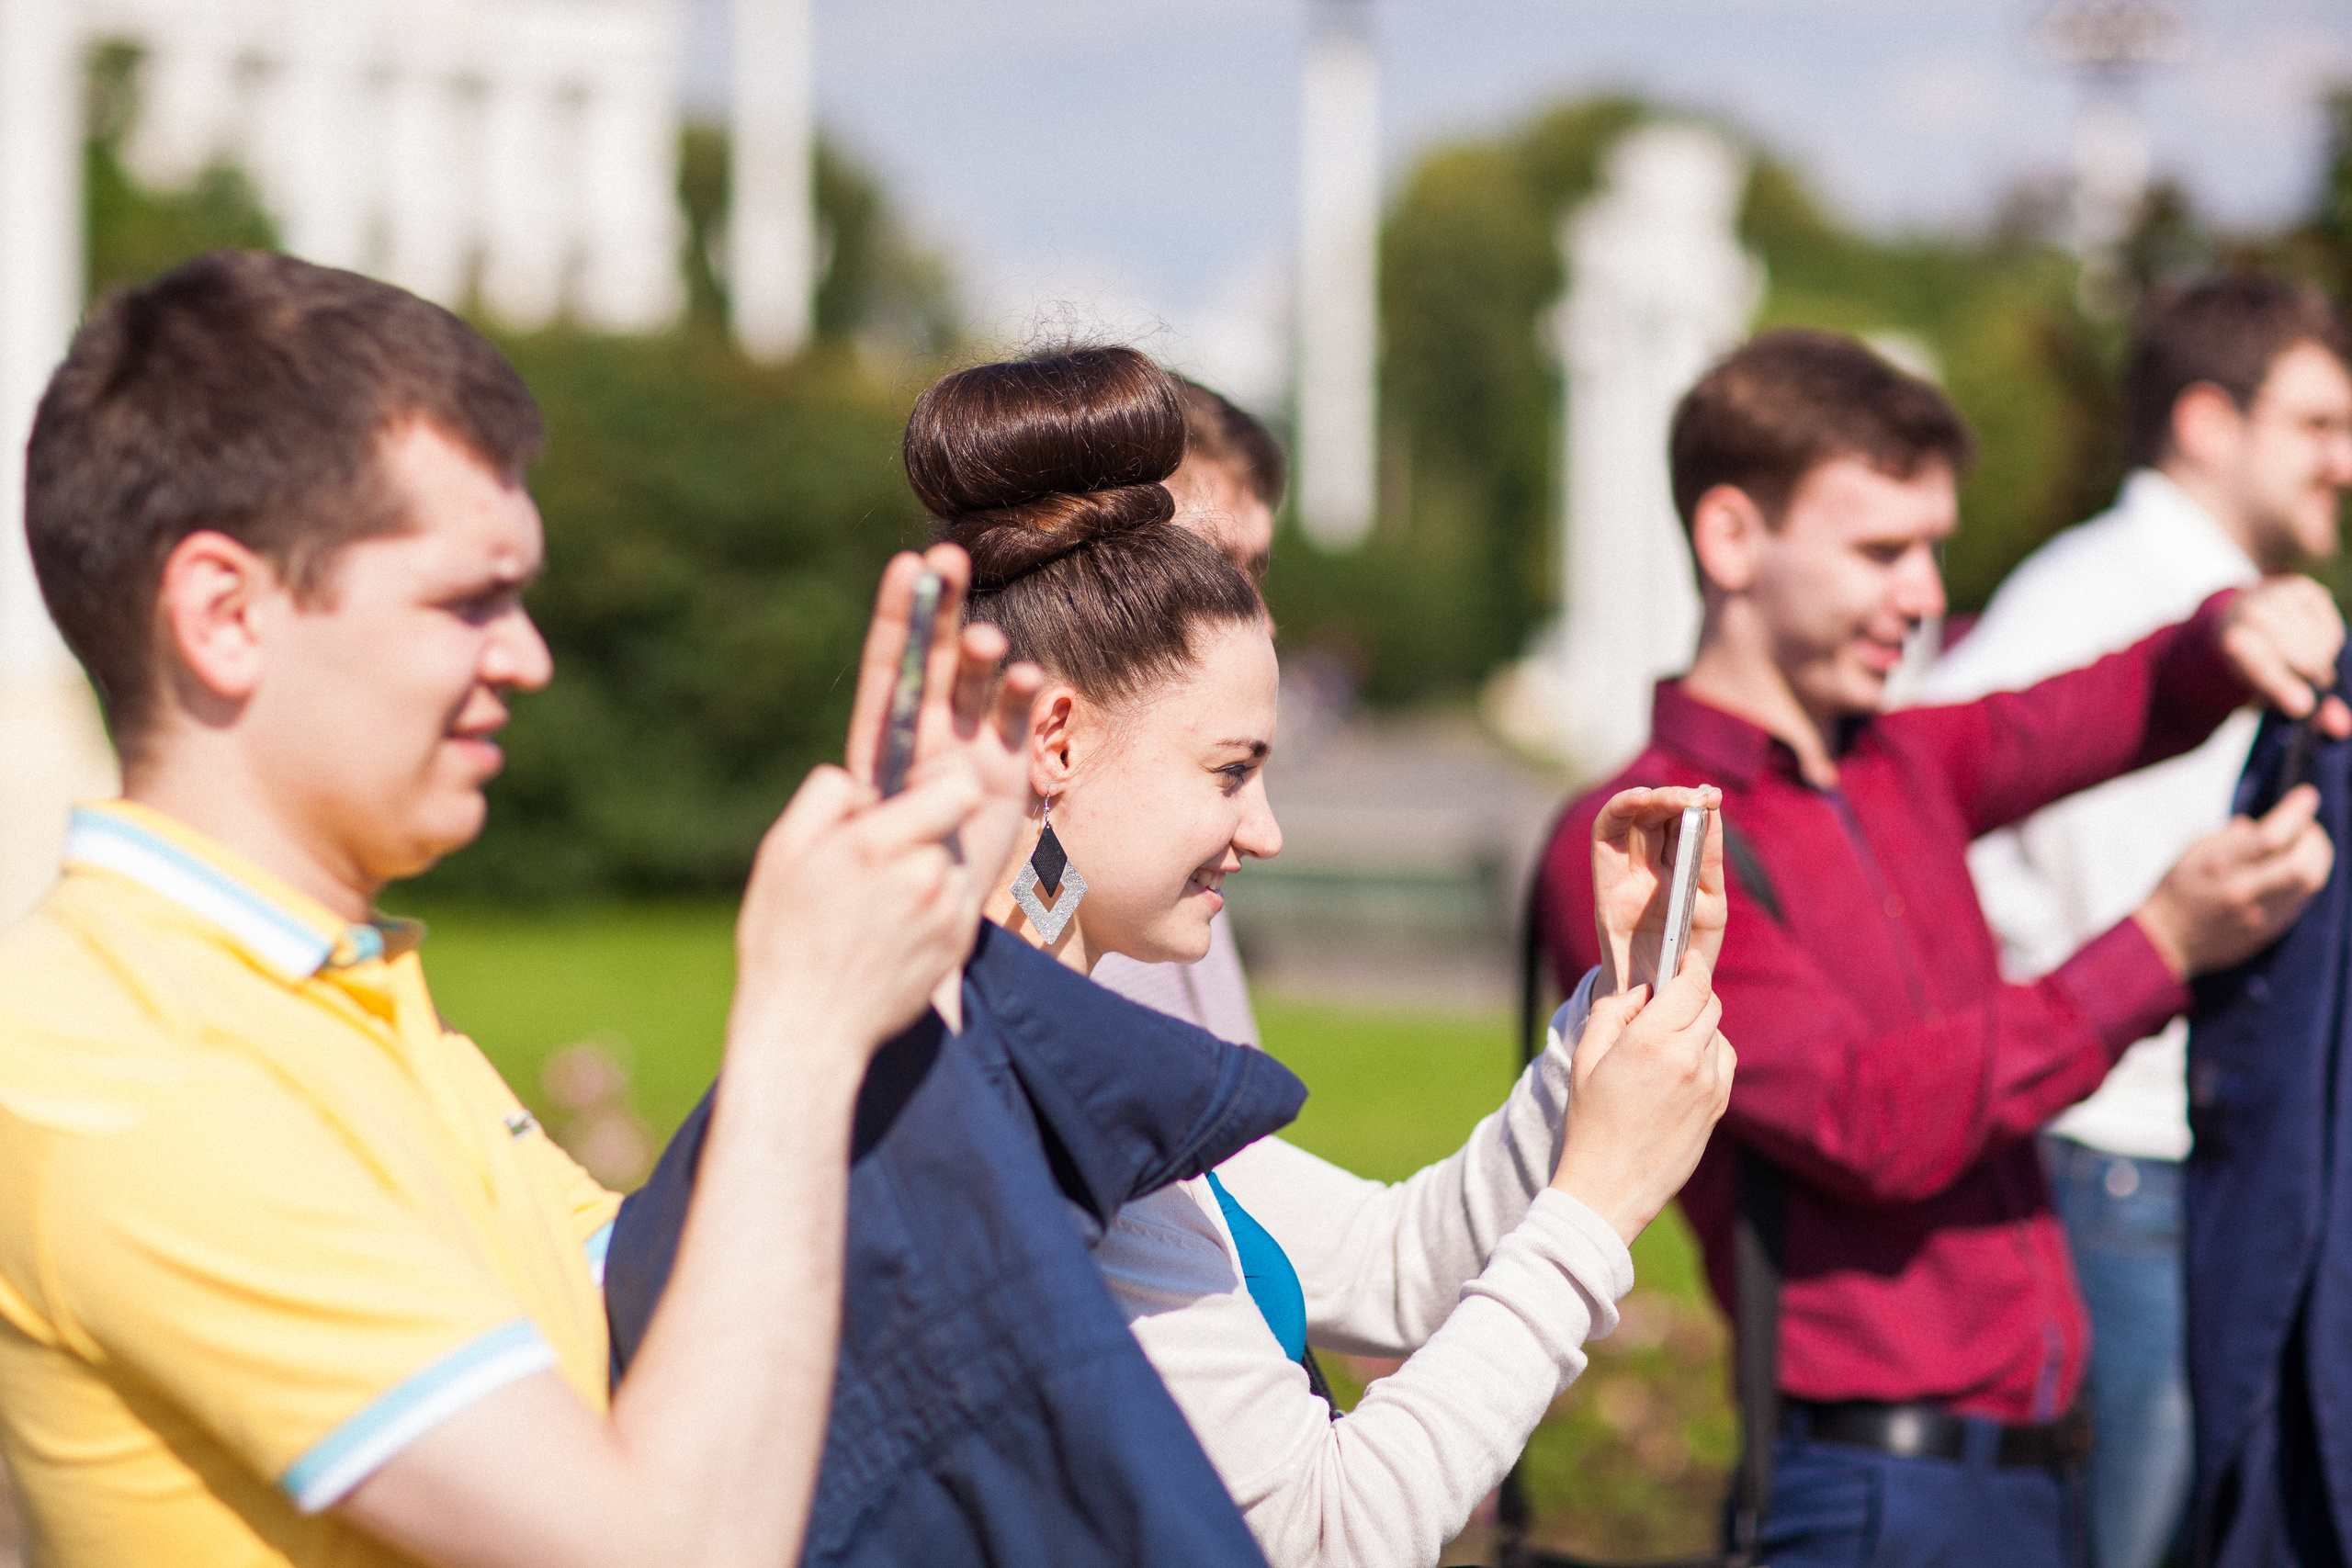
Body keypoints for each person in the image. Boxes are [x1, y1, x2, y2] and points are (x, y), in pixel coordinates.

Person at [0, 249, 1037, 1568]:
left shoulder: (323, 994)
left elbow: (670, 1304)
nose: (527, 655)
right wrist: (799, 1024)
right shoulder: (120, 1064)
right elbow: (671, 1544)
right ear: (226, 612)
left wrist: (914, 912)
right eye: (469, 598)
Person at [1536, 327, 2346, 1568]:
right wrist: (2163, 944)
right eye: (1880, 549)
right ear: (1732, 538)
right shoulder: (1649, 836)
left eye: (1931, 547)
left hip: (2034, 1470)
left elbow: (2095, 707)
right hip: (1868, 1489)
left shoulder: (1897, 757)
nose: (1923, 594)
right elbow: (1875, 1119)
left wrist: (2227, 630)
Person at [916, 345, 1735, 1568]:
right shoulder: (1019, 1093)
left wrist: (1603, 1029)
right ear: (1053, 738)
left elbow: (1385, 1261)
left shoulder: (1038, 1034)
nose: (1266, 830)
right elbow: (1323, 1532)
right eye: (1230, 770)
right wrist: (1595, 1207)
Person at [1917, 274, 2352, 1568]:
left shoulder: (2171, 588)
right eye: (2318, 425)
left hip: (2149, 1155)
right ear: (2207, 422)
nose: (2346, 460)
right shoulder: (2116, 597)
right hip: (2117, 1159)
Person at [1092, 374, 1284, 1043]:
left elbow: (1235, 1153)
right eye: (1220, 567)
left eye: (1258, 573)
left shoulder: (1167, 865)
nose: (1261, 618)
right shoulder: (1049, 898)